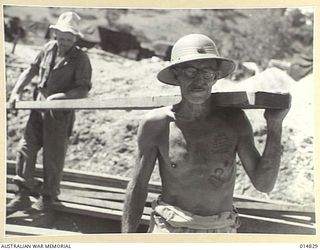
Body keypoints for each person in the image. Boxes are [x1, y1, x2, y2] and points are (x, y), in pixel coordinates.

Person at [122, 34, 289, 233]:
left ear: (216, 76)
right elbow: (138, 186)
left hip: (221, 231)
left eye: (207, 73)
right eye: (190, 71)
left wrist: (275, 124)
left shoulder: (234, 121)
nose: (199, 80)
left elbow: (264, 184)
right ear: (176, 74)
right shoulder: (157, 124)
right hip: (171, 229)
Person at [6, 12, 92, 216]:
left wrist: (61, 97)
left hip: (60, 114)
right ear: (55, 34)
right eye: (60, 38)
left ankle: (47, 199)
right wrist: (15, 92)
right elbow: (31, 70)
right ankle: (22, 194)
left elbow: (83, 89)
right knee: (25, 149)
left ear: (75, 39)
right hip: (38, 110)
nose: (63, 43)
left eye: (68, 39)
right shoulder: (47, 49)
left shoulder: (81, 58)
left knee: (53, 156)